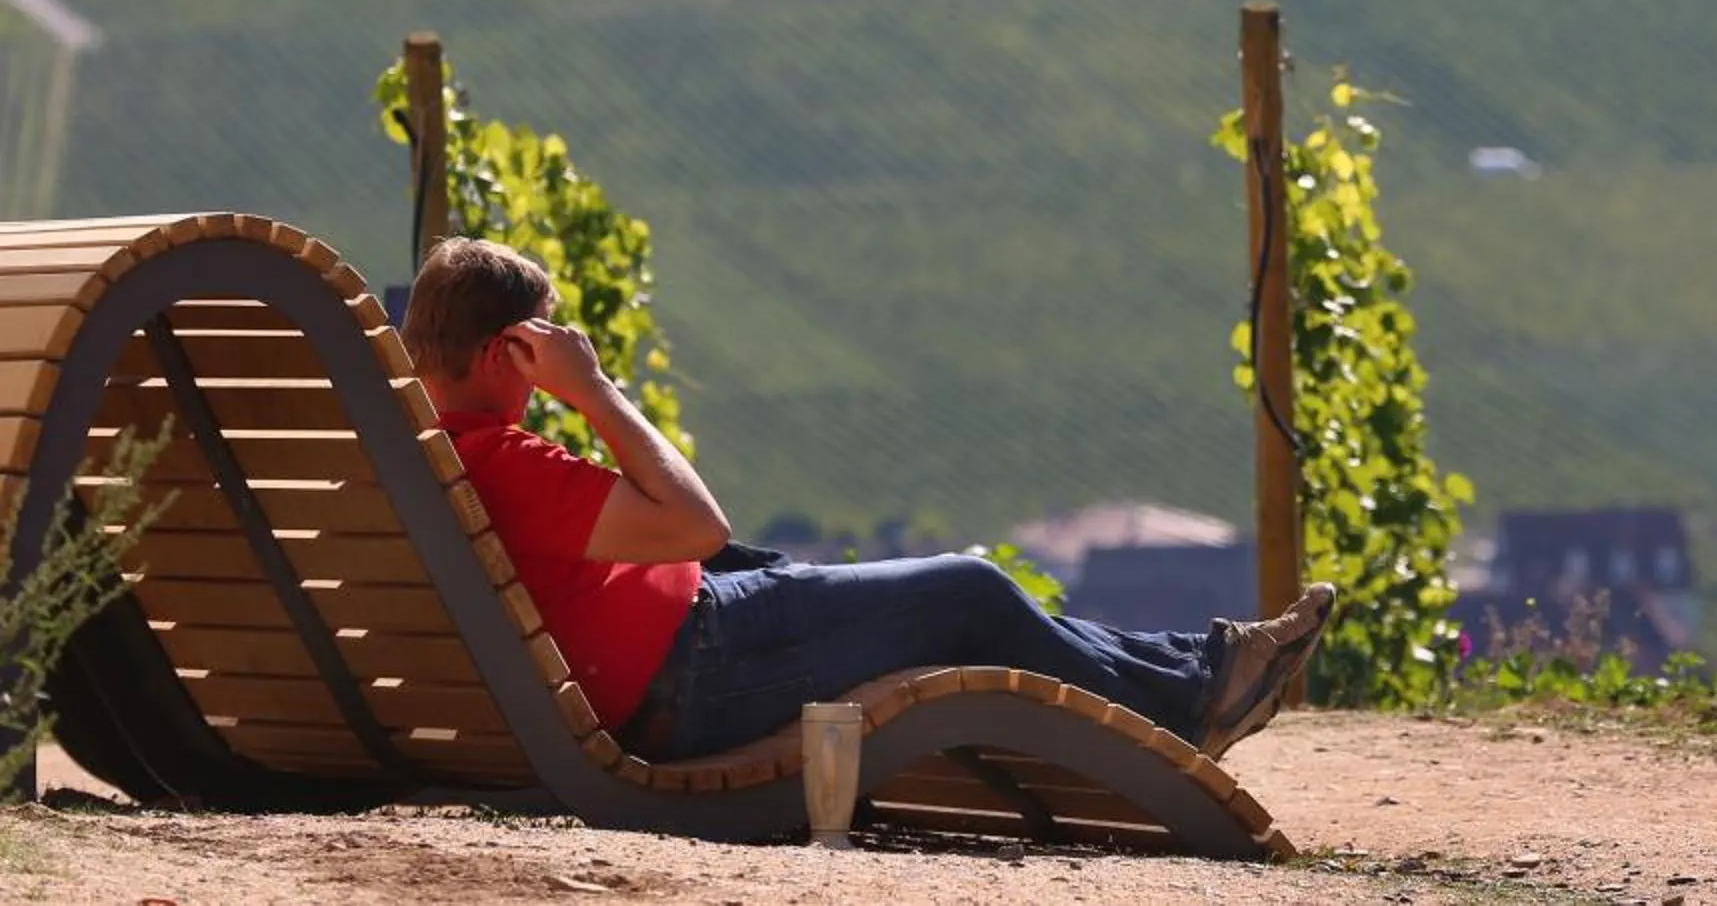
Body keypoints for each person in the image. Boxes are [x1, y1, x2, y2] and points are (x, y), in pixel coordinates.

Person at [400, 237, 1332, 765]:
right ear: (503, 353)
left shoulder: (424, 454)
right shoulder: (501, 460)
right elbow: (695, 525)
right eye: (541, 349)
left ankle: (1199, 668)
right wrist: (593, 390)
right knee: (967, 592)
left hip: (694, 638)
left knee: (914, 595)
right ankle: (1195, 699)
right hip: (697, 671)